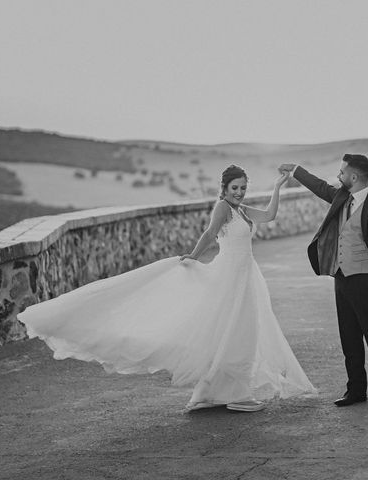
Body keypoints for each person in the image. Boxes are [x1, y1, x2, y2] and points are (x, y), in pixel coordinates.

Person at [18, 165, 316, 413]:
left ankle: (215, 392)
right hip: (229, 277)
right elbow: (210, 234)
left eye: (242, 188)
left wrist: (278, 186)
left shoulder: (241, 211)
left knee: (239, 331)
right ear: (223, 189)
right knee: (233, 330)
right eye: (234, 188)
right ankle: (235, 394)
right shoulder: (223, 208)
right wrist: (193, 258)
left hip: (247, 277)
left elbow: (270, 215)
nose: (238, 192)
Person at [279, 154, 368, 408]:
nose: (338, 175)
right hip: (341, 277)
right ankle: (355, 390)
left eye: (342, 172)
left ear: (354, 177)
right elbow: (321, 187)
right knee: (349, 335)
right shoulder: (341, 197)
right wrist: (296, 171)